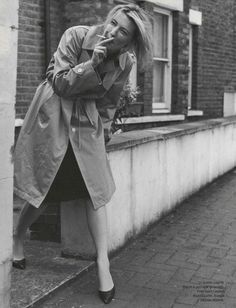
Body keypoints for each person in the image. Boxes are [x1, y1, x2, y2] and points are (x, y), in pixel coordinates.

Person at [13, 3, 152, 304]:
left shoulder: (125, 62)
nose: (112, 31)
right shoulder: (76, 35)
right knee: (43, 189)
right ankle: (17, 238)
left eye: (122, 31)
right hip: (54, 119)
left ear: (130, 42)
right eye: (113, 22)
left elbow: (109, 104)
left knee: (95, 191)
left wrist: (102, 137)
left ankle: (103, 262)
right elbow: (60, 83)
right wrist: (92, 64)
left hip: (86, 126)